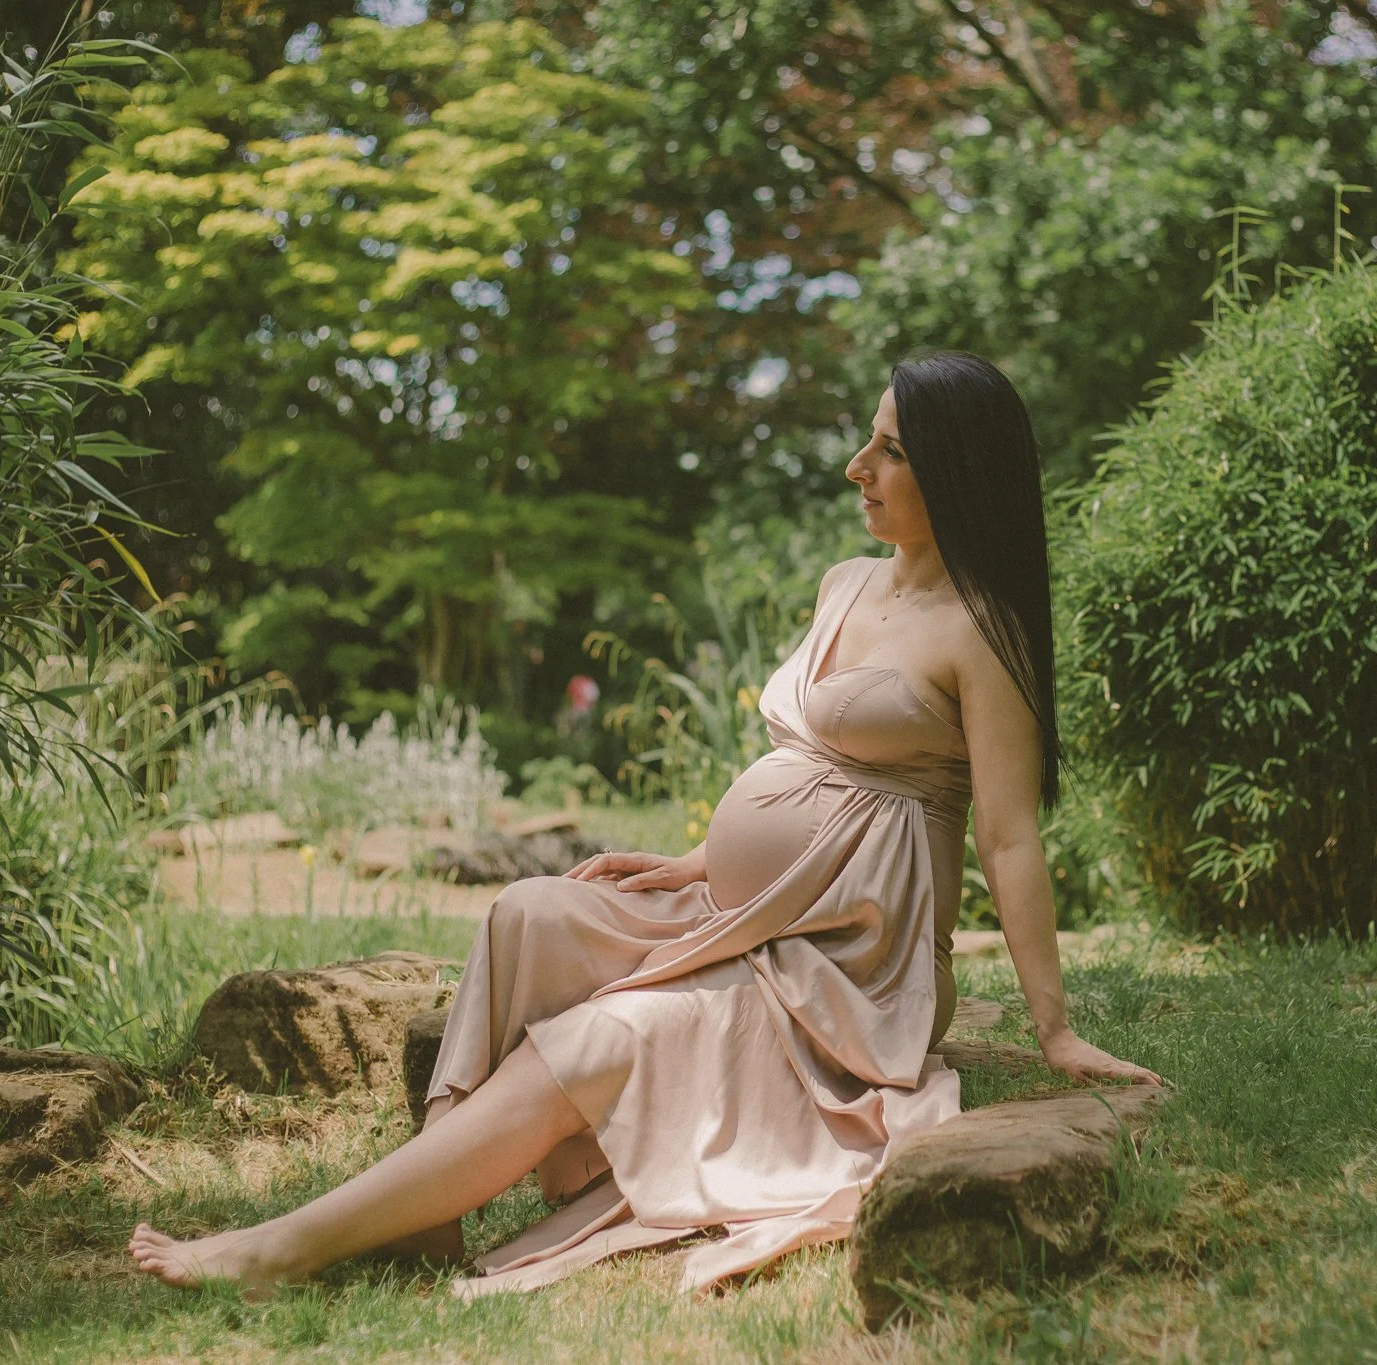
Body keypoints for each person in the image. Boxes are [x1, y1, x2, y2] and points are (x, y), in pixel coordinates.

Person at [128, 348, 1164, 1299]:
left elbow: (1010, 837)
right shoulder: (844, 582)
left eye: (889, 450)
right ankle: (427, 1213)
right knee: (532, 910)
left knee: (603, 1036)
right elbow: (805, 768)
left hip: (854, 970)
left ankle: (282, 1248)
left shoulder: (982, 632)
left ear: (957, 468)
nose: (857, 466)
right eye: (868, 439)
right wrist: (692, 865)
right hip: (746, 907)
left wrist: (1054, 1029)